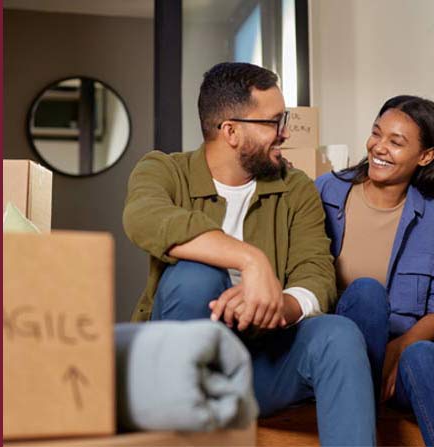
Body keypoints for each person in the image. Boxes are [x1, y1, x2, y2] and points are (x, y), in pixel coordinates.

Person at [121, 62, 374, 445]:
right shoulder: (164, 170)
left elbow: (316, 271)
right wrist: (251, 262)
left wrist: (279, 304)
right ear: (231, 131)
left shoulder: (296, 189)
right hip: (175, 369)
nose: (285, 132)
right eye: (274, 122)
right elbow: (144, 218)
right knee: (196, 276)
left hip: (260, 364)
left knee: (338, 333)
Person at [320, 95, 434, 446]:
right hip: (341, 351)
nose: (379, 147)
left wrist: (398, 349)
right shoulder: (327, 191)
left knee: (423, 355)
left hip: (401, 360)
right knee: (366, 293)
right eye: (377, 134)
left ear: (426, 156)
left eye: (396, 142)